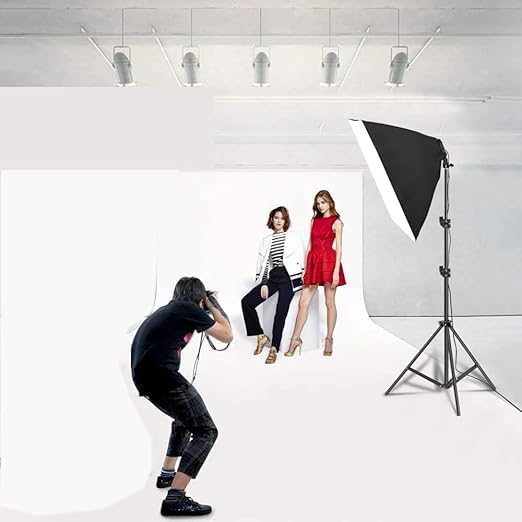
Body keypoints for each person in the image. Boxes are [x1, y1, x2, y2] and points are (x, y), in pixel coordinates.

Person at [131, 277, 233, 517]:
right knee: (207, 431)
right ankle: (175, 499)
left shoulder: (172, 310)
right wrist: (212, 303)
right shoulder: (187, 309)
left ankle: (167, 475)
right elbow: (227, 334)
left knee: (184, 421)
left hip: (146, 377)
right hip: (161, 376)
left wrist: (205, 304)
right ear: (199, 298)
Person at [285, 190, 346, 357]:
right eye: (318, 203)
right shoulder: (314, 220)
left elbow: (339, 249)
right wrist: (305, 269)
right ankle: (295, 339)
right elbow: (309, 246)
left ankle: (329, 339)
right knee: (303, 302)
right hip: (313, 262)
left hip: (328, 262)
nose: (320, 206)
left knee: (329, 302)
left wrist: (335, 272)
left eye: (323, 202)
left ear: (330, 202)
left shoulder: (337, 222)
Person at [241, 206, 304, 364]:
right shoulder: (266, 240)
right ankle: (261, 336)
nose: (279, 221)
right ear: (272, 219)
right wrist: (264, 283)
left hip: (289, 277)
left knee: (280, 313)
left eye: (282, 218)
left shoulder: (294, 237)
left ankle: (274, 349)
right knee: (247, 302)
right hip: (273, 276)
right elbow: (263, 265)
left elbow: (302, 257)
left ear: (286, 221)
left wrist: (303, 278)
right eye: (276, 217)